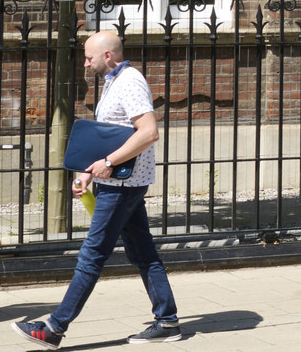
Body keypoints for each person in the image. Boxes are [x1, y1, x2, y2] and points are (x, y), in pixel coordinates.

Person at [13, 31, 181, 347]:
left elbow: (148, 132)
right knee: (143, 253)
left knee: (92, 255)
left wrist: (108, 162)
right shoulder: (112, 82)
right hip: (118, 181)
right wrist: (89, 173)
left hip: (122, 184)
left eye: (89, 57)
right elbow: (110, 134)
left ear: (107, 56)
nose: (86, 63)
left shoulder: (129, 82)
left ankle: (54, 328)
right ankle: (168, 321)